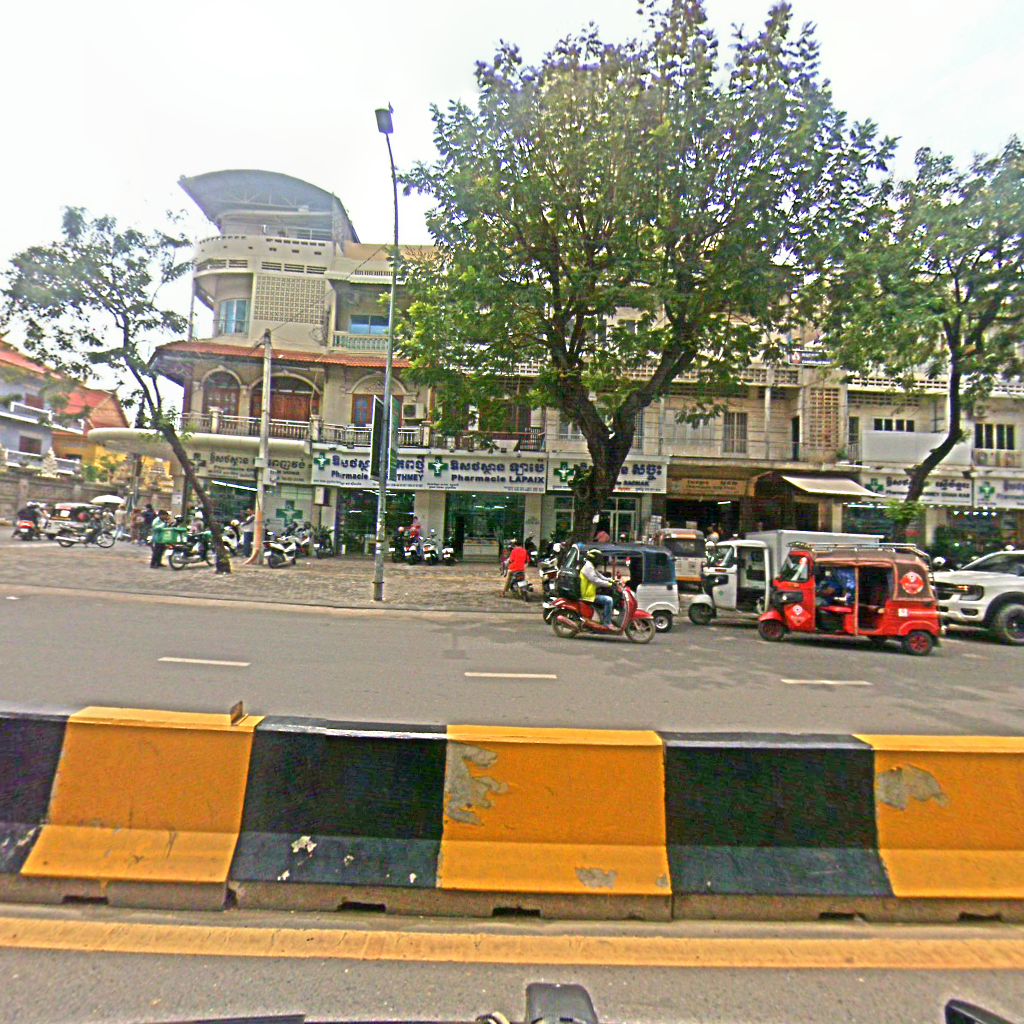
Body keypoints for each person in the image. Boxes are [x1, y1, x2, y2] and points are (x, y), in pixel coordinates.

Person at [580, 548, 616, 627]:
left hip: (590, 593)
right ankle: (607, 622)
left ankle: (604, 616)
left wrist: (612, 580)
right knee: (609, 600)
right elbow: (595, 580)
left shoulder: (590, 565)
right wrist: (609, 584)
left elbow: (600, 576)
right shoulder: (588, 567)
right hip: (587, 595)